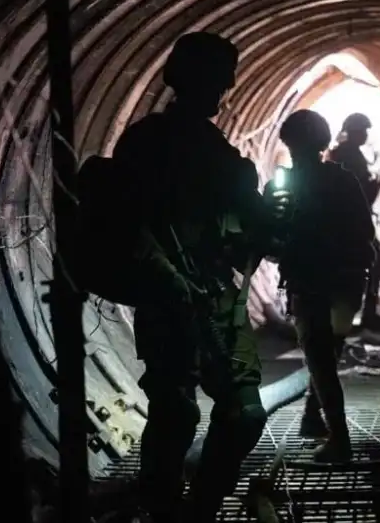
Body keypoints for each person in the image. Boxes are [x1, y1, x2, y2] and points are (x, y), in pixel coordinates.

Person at [105, 32, 275, 523]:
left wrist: (264, 228)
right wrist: (167, 278)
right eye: (219, 78)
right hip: (167, 298)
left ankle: (200, 507)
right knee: (178, 412)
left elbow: (251, 226)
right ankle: (165, 508)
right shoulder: (147, 144)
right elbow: (124, 223)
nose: (226, 88)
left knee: (241, 413)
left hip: (217, 297)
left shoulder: (209, 146)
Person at [263, 109, 376, 462]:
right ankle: (313, 418)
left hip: (310, 281)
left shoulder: (282, 188)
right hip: (347, 281)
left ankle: (339, 439)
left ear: (287, 143)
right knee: (330, 352)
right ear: (324, 141)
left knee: (319, 358)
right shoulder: (344, 179)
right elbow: (366, 231)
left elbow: (268, 242)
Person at [323, 113, 380, 331]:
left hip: (341, 220)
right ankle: (364, 316)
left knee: (355, 266)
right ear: (354, 132)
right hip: (350, 221)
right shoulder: (349, 155)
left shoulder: (339, 153)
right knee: (376, 263)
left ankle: (347, 317)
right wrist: (374, 185)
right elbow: (357, 191)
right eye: (362, 131)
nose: (365, 135)